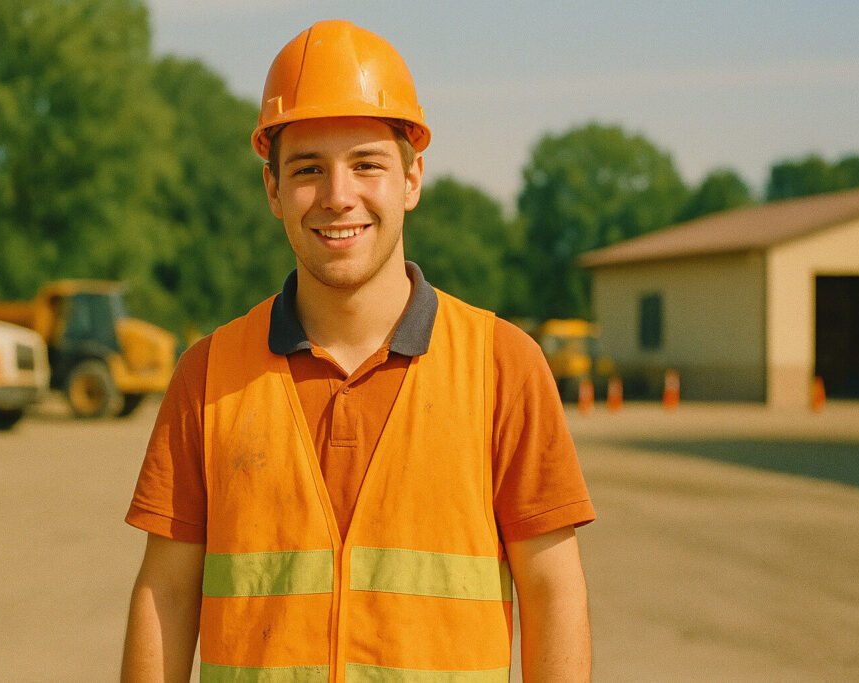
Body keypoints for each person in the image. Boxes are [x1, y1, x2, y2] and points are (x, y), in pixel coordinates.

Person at [121, 19, 595, 682]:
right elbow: (165, 594)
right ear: (273, 191)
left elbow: (554, 591)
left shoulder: (502, 365)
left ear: (411, 178)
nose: (339, 195)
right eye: (308, 169)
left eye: (366, 163)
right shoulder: (207, 375)